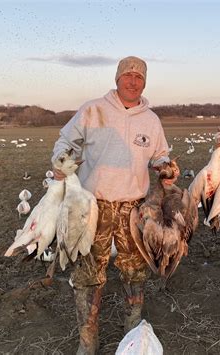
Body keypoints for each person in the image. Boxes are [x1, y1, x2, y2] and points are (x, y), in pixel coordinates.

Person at [51, 56, 175, 354]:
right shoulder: (94, 109)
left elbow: (159, 155)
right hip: (94, 206)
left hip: (134, 208)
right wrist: (60, 162)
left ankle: (132, 332)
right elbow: (67, 140)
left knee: (135, 271)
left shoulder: (151, 119)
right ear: (117, 79)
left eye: (139, 78)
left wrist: (165, 167)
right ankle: (87, 339)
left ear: (145, 82)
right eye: (128, 76)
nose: (133, 82)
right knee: (88, 271)